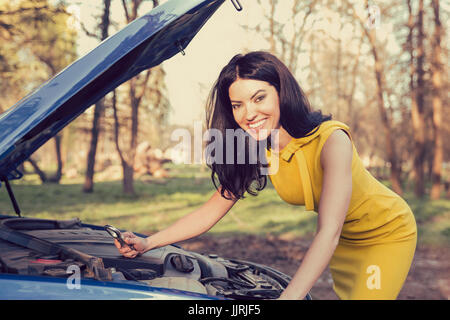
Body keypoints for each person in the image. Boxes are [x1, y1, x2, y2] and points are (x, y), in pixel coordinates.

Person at [114, 51, 417, 300]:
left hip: (385, 233)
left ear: (281, 93)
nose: (248, 114)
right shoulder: (260, 147)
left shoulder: (332, 140)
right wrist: (148, 242)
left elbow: (328, 231)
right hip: (344, 241)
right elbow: (211, 211)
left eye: (259, 98)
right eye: (238, 105)